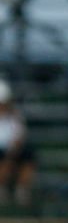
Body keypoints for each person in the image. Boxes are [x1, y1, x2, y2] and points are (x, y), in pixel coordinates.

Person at [0, 78, 35, 206]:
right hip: (3, 151)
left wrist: (14, 147)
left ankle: (22, 189)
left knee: (28, 154)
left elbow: (20, 134)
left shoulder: (15, 115)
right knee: (5, 157)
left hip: (12, 149)